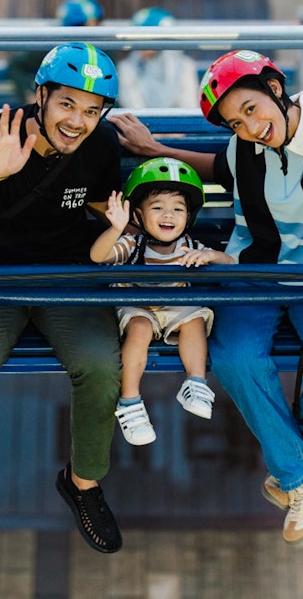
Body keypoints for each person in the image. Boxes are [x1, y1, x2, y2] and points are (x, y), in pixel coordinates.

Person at [108, 49, 303, 544]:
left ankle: (300, 465)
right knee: (234, 357)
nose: (249, 127)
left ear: (276, 90)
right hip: (250, 272)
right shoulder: (244, 151)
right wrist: (155, 151)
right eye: (236, 123)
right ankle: (302, 470)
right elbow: (215, 167)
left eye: (252, 110)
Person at [0, 42, 124, 559]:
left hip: (66, 276)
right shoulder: (0, 130)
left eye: (91, 110)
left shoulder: (101, 147)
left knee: (103, 365)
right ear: (41, 96)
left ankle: (83, 482)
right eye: (67, 104)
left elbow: (107, 201)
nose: (78, 121)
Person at [89, 157, 234, 445]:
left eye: (178, 209)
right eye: (157, 208)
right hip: (137, 304)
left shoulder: (190, 246)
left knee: (194, 320)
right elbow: (98, 256)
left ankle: (196, 383)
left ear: (189, 216)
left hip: (175, 306)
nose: (168, 215)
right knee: (140, 329)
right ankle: (129, 401)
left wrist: (211, 256)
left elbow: (230, 262)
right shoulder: (132, 243)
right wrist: (116, 229)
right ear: (139, 216)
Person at [6, 0, 104, 103]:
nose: (92, 30)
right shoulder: (54, 49)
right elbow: (17, 64)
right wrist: (29, 96)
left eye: (96, 24)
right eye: (83, 26)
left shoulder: (104, 50)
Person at [117, 7, 200, 109]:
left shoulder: (185, 66)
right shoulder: (126, 67)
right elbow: (134, 109)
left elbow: (188, 108)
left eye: (145, 36)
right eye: (137, 35)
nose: (139, 41)